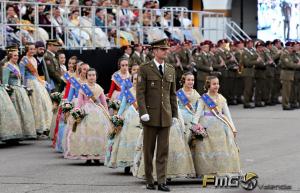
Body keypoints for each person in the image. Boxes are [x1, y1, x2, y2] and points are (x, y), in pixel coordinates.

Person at [136, 38, 178, 191]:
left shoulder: (170, 69)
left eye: (166, 49)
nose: (165, 51)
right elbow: (140, 93)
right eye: (162, 49)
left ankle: (161, 181)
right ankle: (149, 179)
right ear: (154, 51)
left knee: (163, 151)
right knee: (148, 150)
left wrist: (175, 114)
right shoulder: (145, 68)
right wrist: (143, 113)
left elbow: (172, 94)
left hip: (165, 115)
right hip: (150, 116)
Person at [192, 76, 240, 176]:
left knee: (221, 147)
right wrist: (194, 127)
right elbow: (197, 113)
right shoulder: (203, 98)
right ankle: (208, 170)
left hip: (220, 125)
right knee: (205, 147)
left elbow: (227, 114)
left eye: (217, 84)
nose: (216, 86)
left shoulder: (222, 98)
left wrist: (233, 127)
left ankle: (221, 169)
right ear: (208, 85)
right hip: (206, 124)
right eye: (214, 84)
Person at [64, 68, 112, 164]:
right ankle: (88, 156)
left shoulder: (99, 88)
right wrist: (77, 111)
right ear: (87, 76)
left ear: (96, 77)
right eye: (89, 75)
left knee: (98, 134)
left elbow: (103, 102)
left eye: (93, 75)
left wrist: (107, 113)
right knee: (86, 133)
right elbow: (79, 102)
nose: (91, 77)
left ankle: (97, 156)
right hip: (86, 111)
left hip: (98, 112)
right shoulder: (83, 88)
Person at [105, 73, 140, 173]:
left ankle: (138, 163)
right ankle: (127, 163)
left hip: (141, 115)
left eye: (138, 79)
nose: (136, 81)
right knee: (126, 138)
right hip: (128, 116)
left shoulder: (144, 91)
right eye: (135, 79)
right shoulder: (128, 92)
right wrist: (117, 117)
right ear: (132, 81)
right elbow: (123, 105)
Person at [20, 43, 53, 137]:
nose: (32, 51)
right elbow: (22, 75)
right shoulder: (24, 60)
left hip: (37, 83)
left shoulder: (34, 59)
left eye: (33, 49)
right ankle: (34, 128)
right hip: (29, 82)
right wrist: (24, 87)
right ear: (27, 50)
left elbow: (36, 74)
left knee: (42, 103)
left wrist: (42, 82)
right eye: (30, 49)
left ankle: (43, 127)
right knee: (34, 104)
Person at [2, 49, 36, 139]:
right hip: (13, 91)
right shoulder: (7, 66)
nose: (16, 57)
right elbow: (5, 82)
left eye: (17, 55)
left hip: (20, 90)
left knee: (24, 111)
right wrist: (8, 92)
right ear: (10, 56)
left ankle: (24, 132)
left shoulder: (15, 65)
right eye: (14, 55)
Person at [177, 72, 201, 143]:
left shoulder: (196, 93)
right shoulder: (178, 93)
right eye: (189, 80)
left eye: (192, 80)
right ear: (184, 81)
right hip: (181, 120)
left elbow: (199, 109)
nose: (191, 82)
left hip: (194, 120)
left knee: (197, 141)